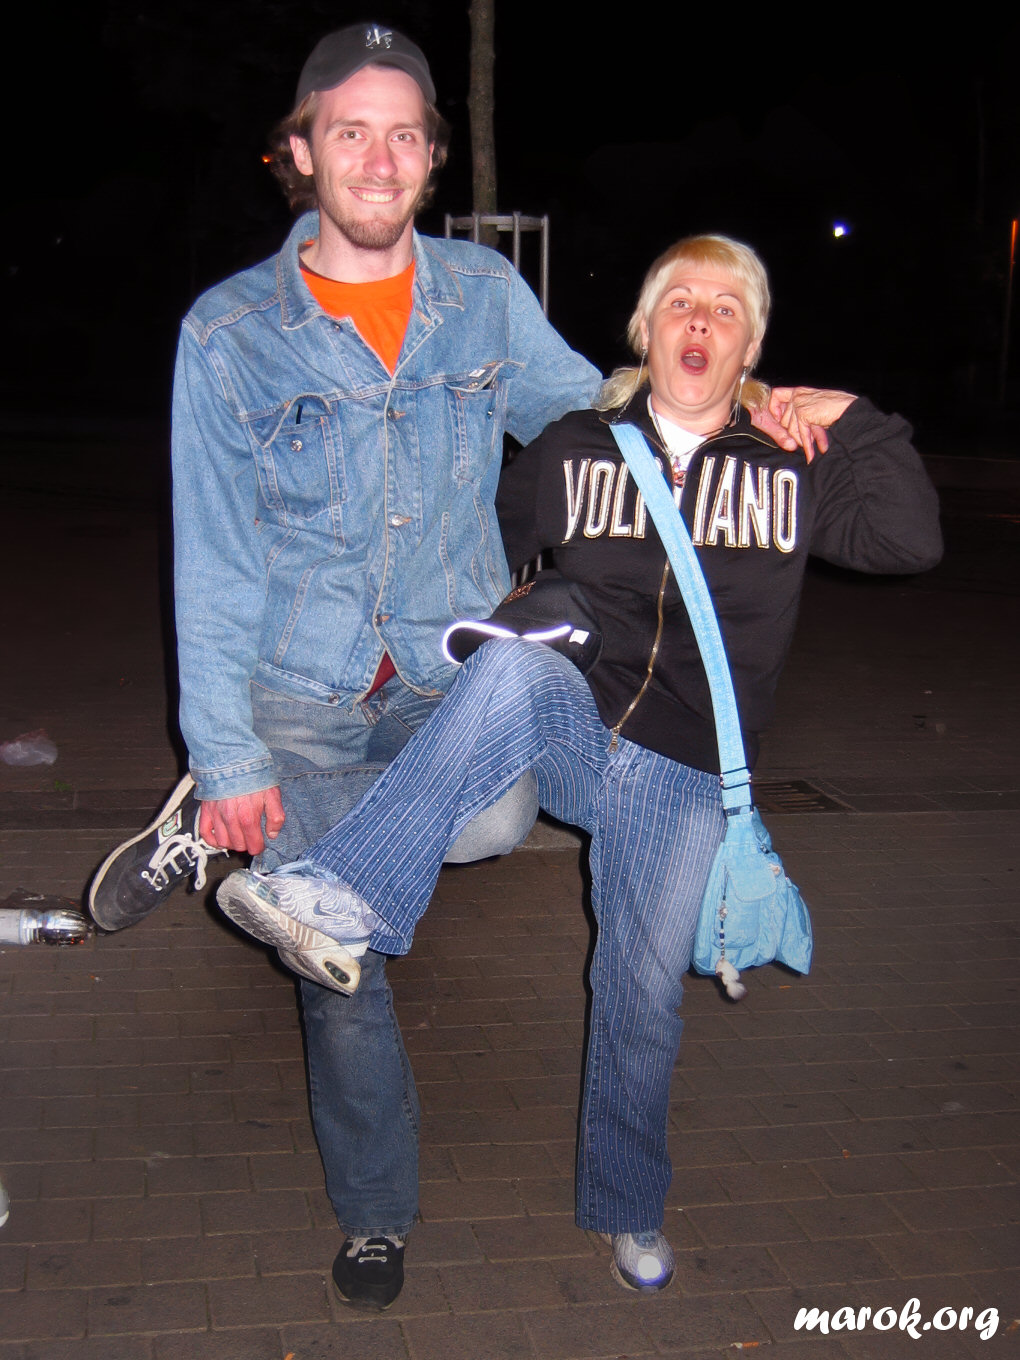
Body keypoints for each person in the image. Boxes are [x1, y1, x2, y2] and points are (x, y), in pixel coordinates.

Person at [214, 233, 944, 1295]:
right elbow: (465, 551)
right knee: (513, 668)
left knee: (639, 994)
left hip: (686, 770)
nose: (700, 321)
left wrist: (855, 416)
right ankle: (348, 895)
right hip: (573, 726)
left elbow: (910, 541)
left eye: (727, 308)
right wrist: (342, 633)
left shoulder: (788, 467)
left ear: (750, 347)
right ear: (646, 329)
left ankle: (627, 1205)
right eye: (680, 301)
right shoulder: (576, 447)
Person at [87, 21, 603, 1311]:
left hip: (442, 666)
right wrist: (228, 756)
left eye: (405, 134)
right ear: (303, 152)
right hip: (297, 689)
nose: (379, 159)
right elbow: (211, 561)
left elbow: (590, 414)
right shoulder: (229, 334)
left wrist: (732, 402)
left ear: (431, 157)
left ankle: (283, 863)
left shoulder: (482, 297)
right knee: (340, 956)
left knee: (493, 819)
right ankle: (377, 1211)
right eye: (351, 132)